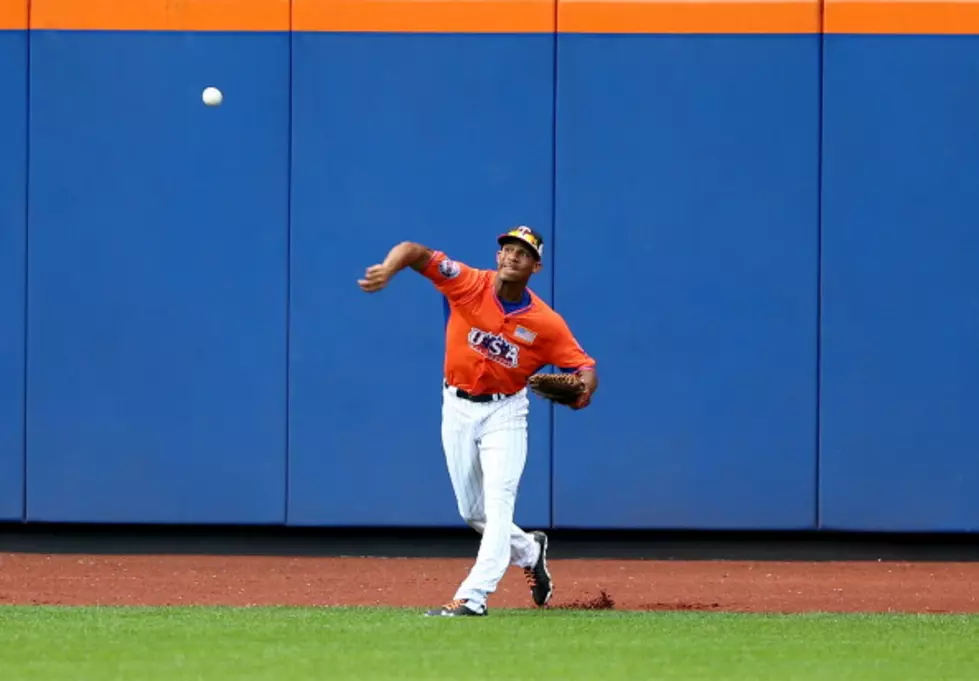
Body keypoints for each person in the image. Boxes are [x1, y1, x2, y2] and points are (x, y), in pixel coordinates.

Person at [358, 225, 598, 617]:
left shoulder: (546, 323)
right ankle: (528, 549)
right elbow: (415, 251)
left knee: (499, 504)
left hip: (506, 411)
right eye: (508, 249)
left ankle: (473, 596)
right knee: (473, 512)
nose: (513, 256)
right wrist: (389, 268)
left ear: (535, 267)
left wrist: (583, 390)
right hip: (456, 405)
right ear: (497, 256)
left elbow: (585, 368)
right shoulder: (468, 283)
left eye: (523, 253)